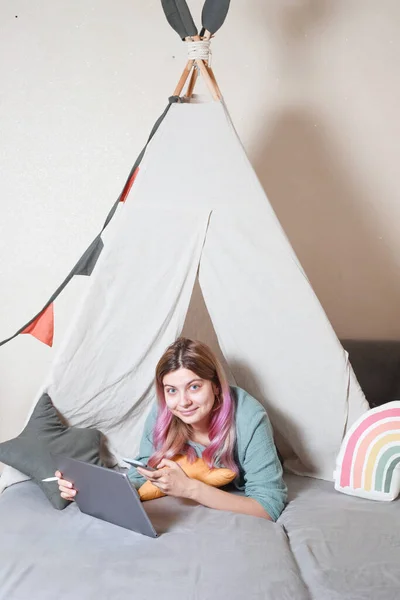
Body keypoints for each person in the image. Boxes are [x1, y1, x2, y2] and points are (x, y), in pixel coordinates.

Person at [57, 338, 287, 521]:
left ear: (216, 386)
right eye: (172, 390)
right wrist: (91, 490)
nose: (183, 402)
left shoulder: (249, 417)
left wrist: (189, 489)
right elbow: (143, 474)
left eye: (194, 387)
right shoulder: (163, 412)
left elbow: (268, 506)